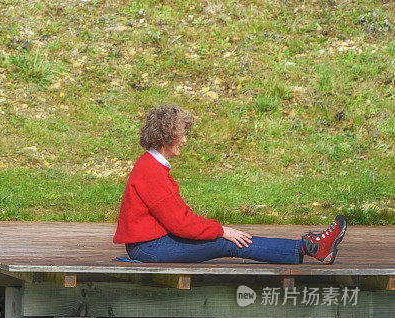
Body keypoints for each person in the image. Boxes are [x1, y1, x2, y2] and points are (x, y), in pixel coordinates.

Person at [113, 105, 348, 265]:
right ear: (166, 136)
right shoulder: (151, 171)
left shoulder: (152, 166)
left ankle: (309, 248)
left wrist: (218, 230)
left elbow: (179, 219)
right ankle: (310, 248)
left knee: (231, 239)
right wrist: (222, 230)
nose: (185, 140)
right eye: (181, 134)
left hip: (154, 244)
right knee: (230, 242)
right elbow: (181, 224)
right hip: (148, 249)